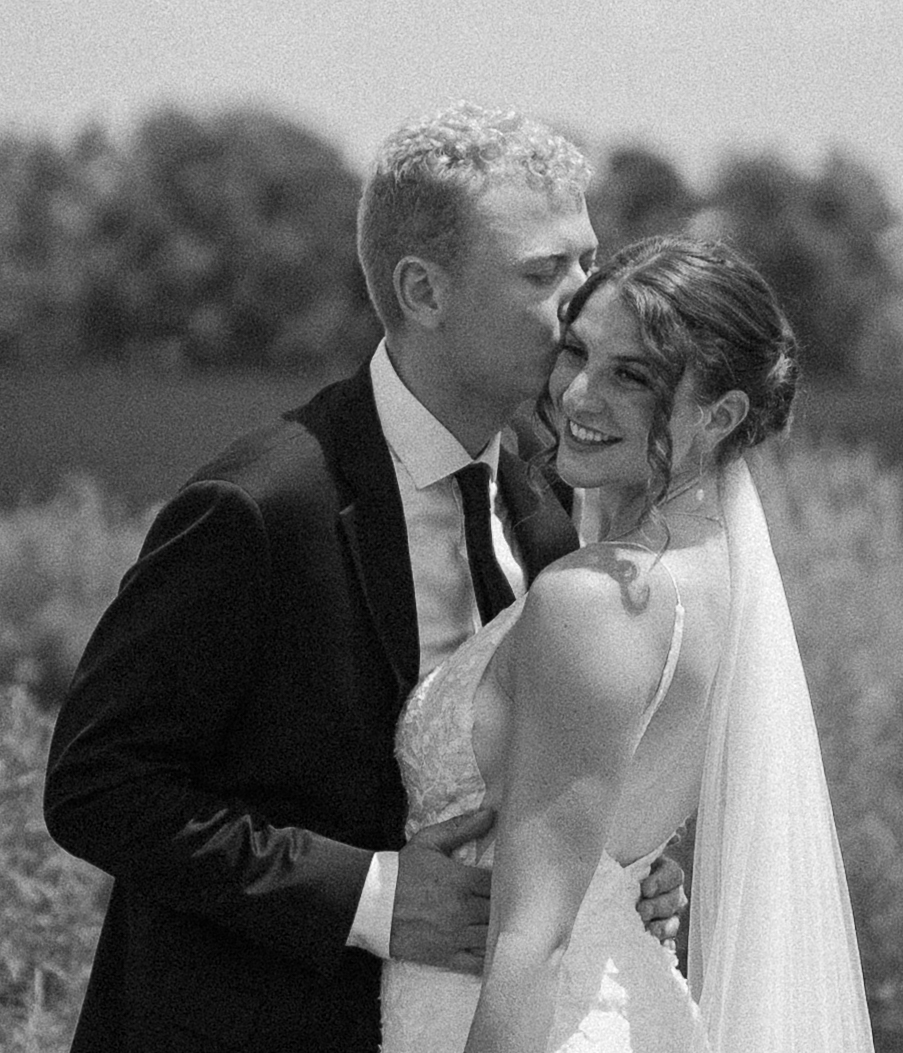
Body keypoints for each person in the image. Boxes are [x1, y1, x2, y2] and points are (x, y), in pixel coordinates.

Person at [43, 104, 684, 1053]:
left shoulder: (547, 498)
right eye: (544, 271)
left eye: (587, 261)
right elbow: (97, 786)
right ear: (422, 291)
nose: (585, 301)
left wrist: (611, 867)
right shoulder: (257, 508)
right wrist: (370, 896)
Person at [380, 235, 875, 1053]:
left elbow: (532, 942)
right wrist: (633, 881)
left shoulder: (600, 599)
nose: (578, 392)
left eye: (632, 377)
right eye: (577, 352)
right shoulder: (710, 577)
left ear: (719, 416)